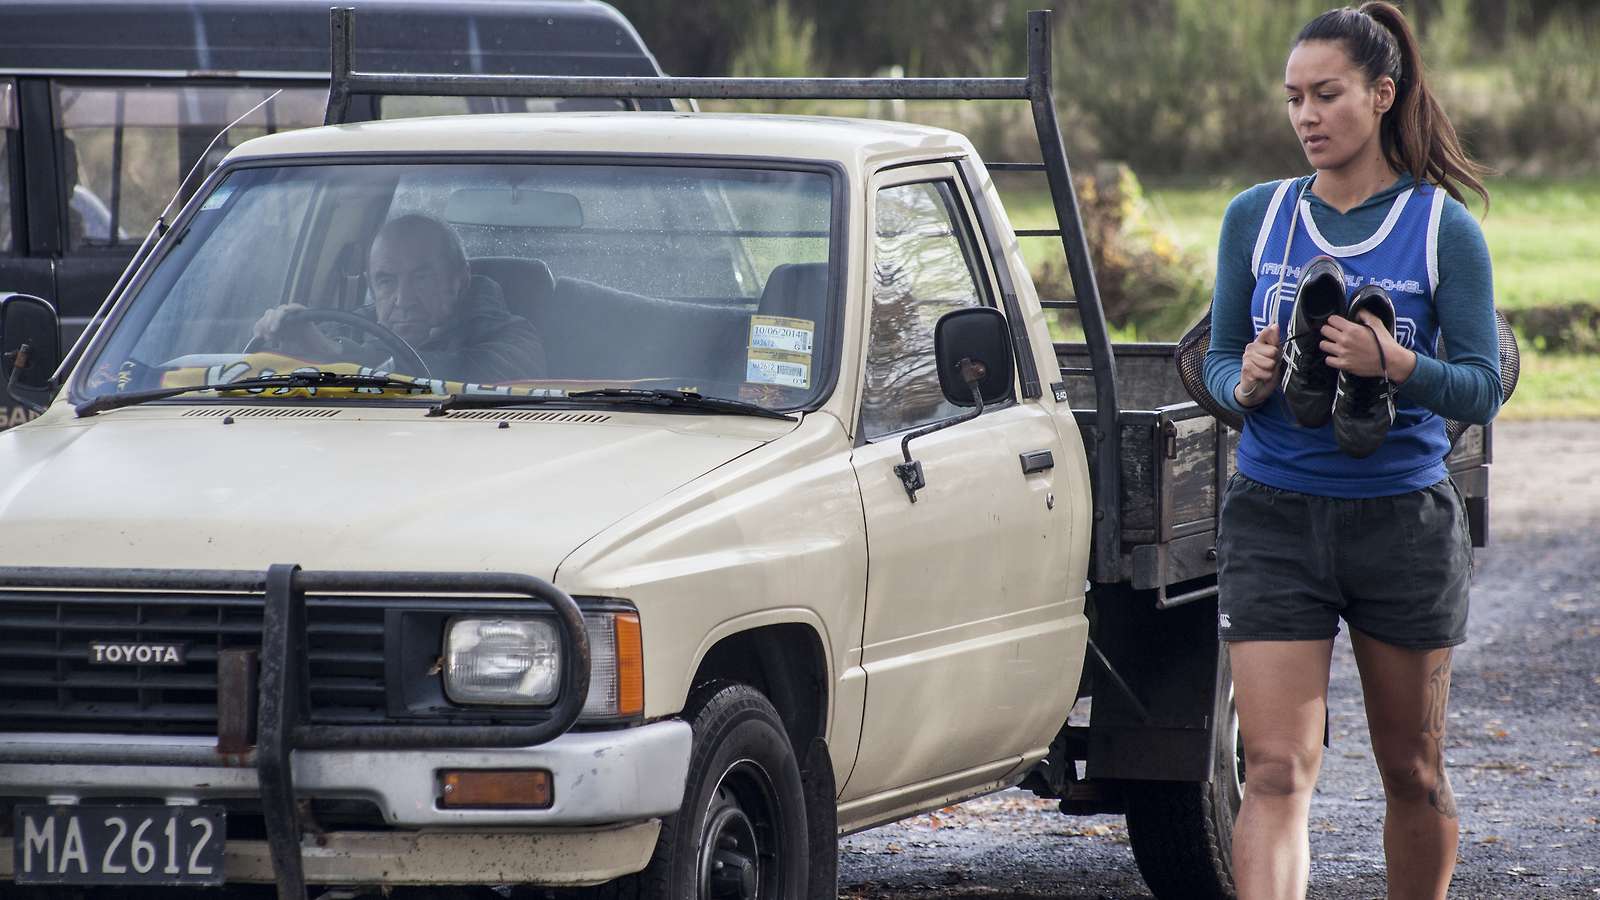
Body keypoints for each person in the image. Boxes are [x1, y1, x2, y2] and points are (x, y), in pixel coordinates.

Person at [1201, 4, 1501, 898]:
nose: (1306, 116)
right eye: (1294, 98)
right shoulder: (1256, 217)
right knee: (1275, 773)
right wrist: (1246, 380)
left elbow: (1483, 385)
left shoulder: (1443, 228)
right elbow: (1213, 365)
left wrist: (1395, 363)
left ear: (1381, 93)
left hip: (1402, 522)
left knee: (1411, 774)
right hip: (1273, 516)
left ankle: (1354, 377)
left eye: (1326, 95)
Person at [252, 213, 546, 384]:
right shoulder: (347, 329)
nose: (403, 299)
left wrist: (338, 356)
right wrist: (284, 342)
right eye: (386, 281)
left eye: (421, 278)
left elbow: (473, 375)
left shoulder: (511, 337)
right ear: (371, 286)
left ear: (460, 279)